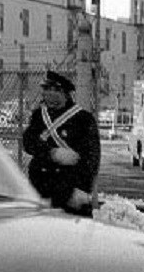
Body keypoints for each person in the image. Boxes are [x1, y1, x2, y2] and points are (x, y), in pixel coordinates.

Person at [22, 71, 101, 216]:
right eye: (46, 89)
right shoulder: (39, 116)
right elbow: (28, 142)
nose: (49, 94)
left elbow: (91, 158)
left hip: (69, 191)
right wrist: (52, 153)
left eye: (54, 90)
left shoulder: (83, 119)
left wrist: (83, 189)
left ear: (64, 93)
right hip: (41, 187)